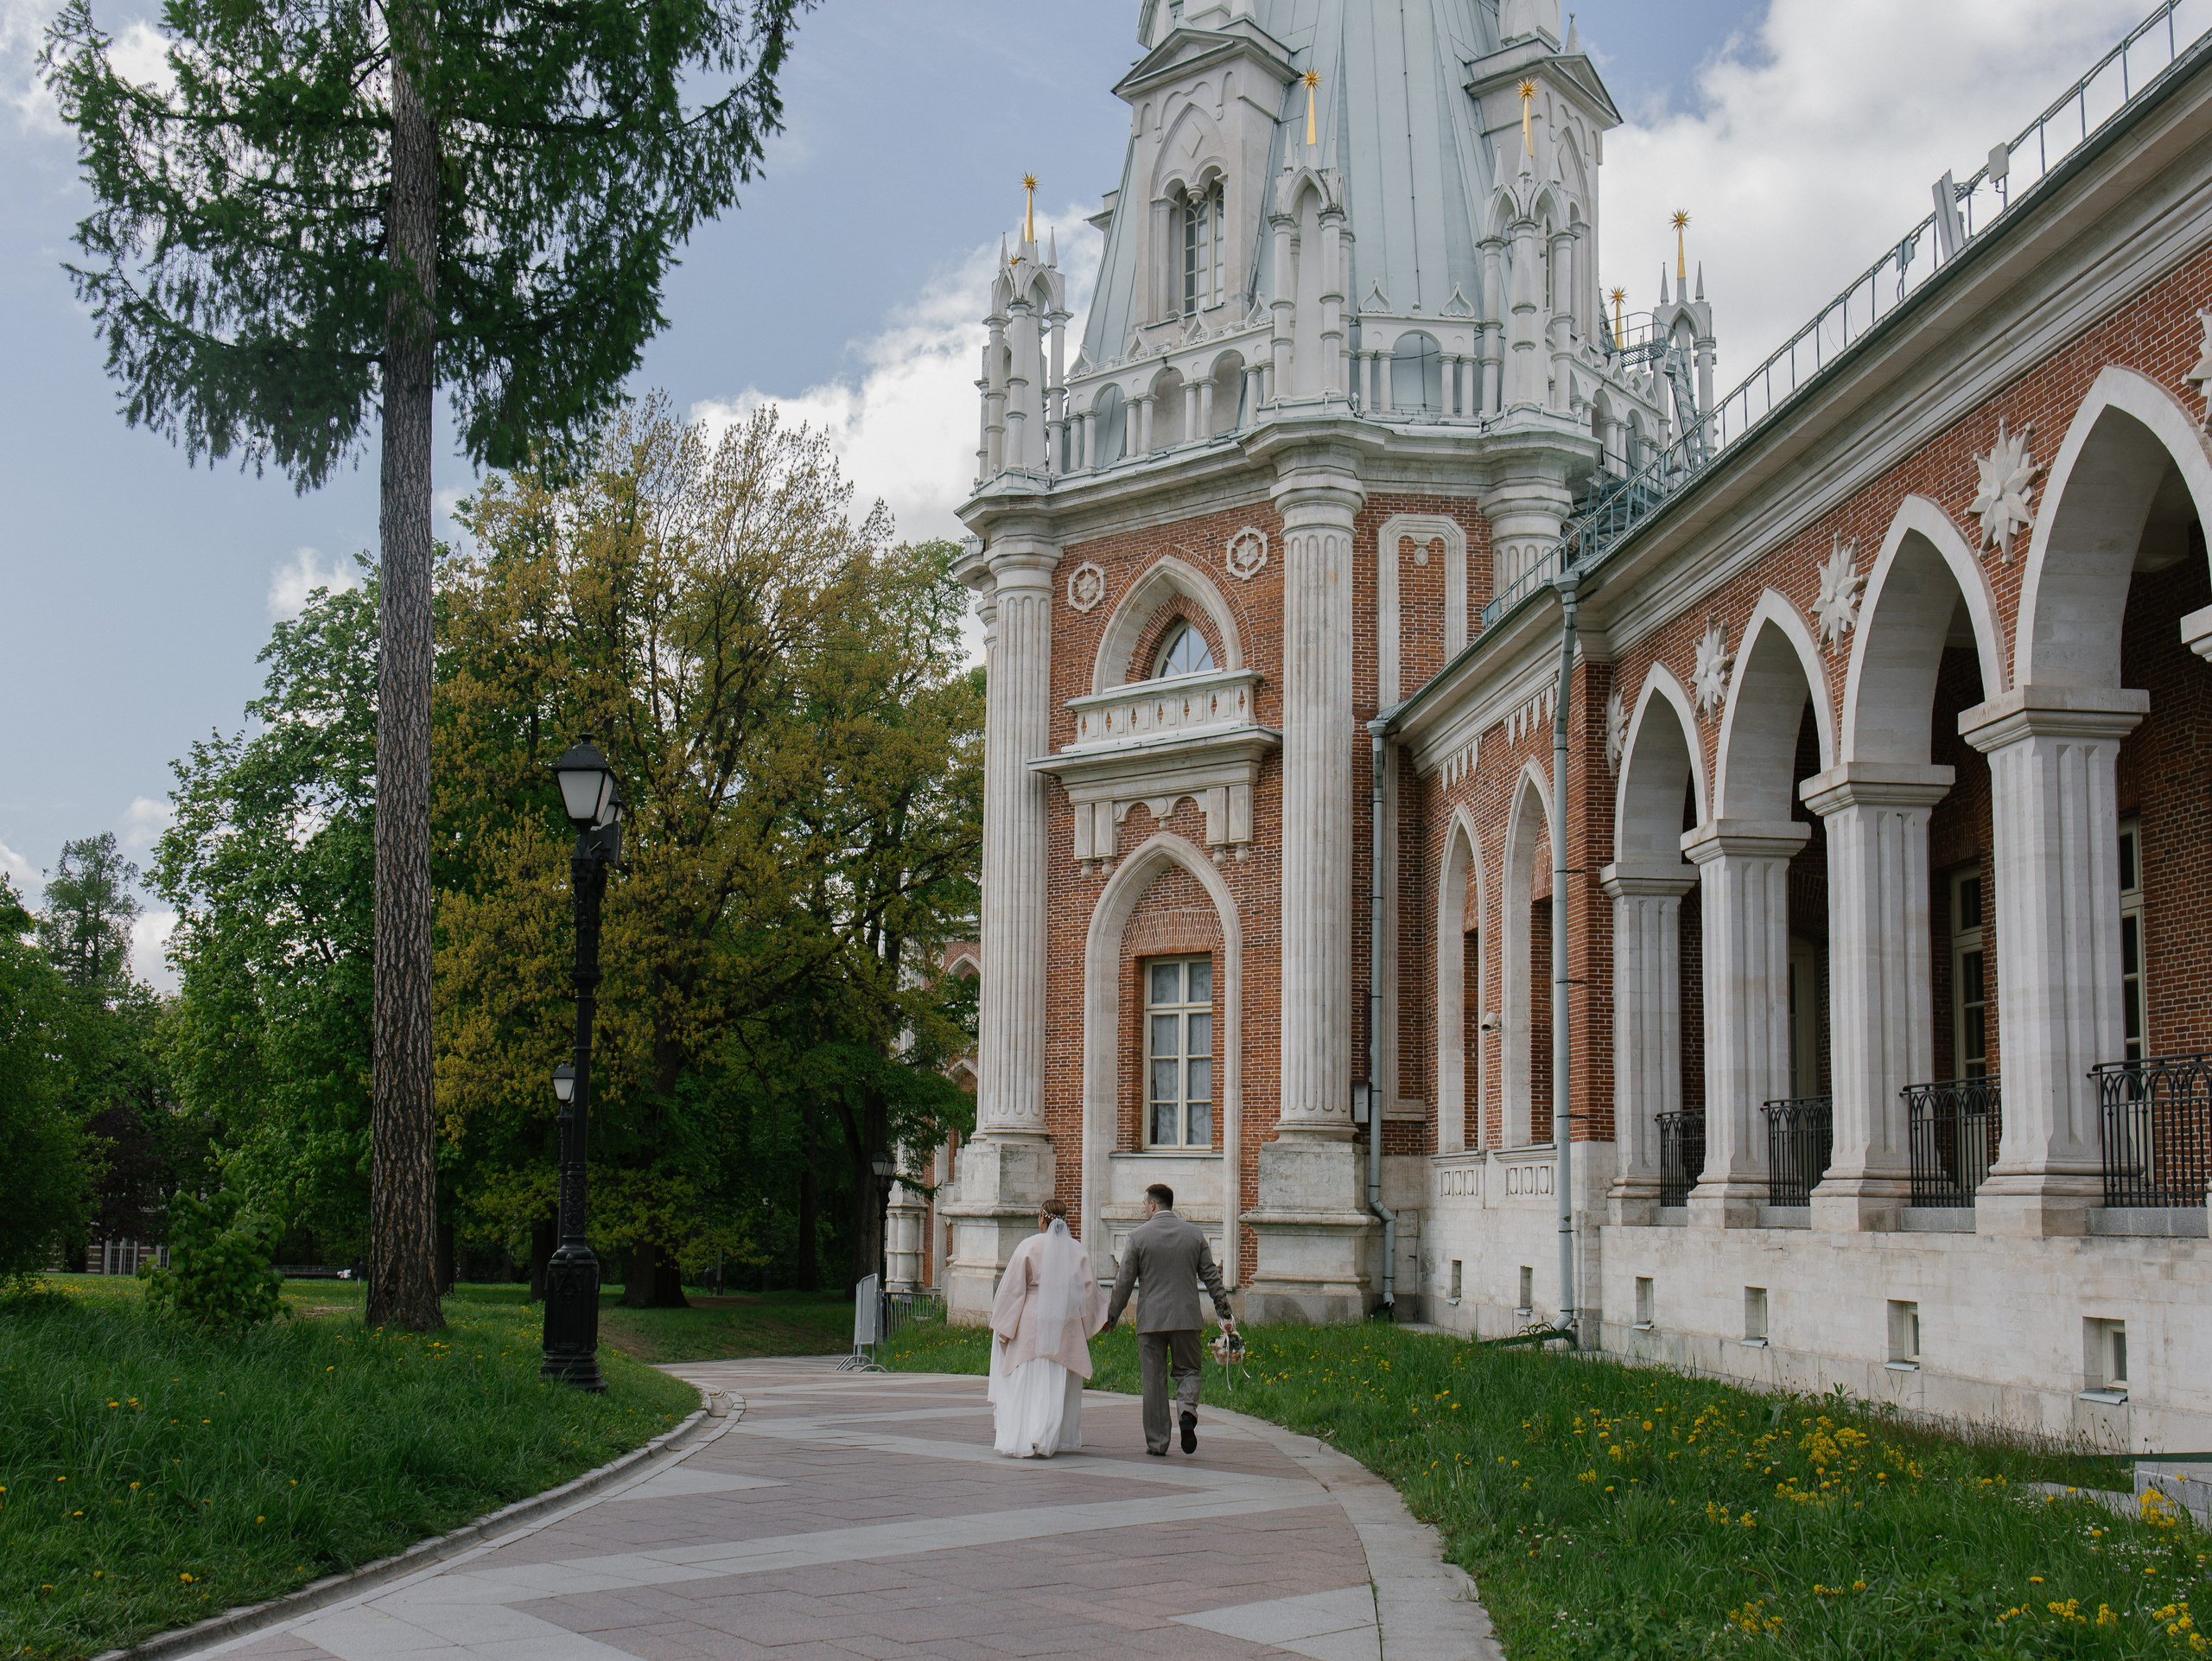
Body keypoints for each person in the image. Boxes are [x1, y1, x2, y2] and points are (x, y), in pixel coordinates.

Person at [1103, 1182, 1236, 1457]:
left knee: (1153, 1380)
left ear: (1152, 1205)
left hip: (1151, 1321)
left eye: (1144, 1205)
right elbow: (1211, 1276)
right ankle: (1187, 1411)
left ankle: (1158, 1441)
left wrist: (1111, 1317)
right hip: (1187, 1318)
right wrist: (1224, 1311)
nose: (1144, 1209)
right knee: (1189, 1371)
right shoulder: (1194, 1235)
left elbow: (1123, 1282)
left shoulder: (1138, 1237)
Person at [988, 1198, 1108, 1458]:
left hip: (1030, 1322)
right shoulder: (1077, 1250)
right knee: (1055, 1381)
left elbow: (1013, 1289)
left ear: (1042, 1218)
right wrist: (1100, 1319)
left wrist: (1004, 1323)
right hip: (1064, 1321)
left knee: (1025, 1379)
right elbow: (1088, 1290)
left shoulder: (1028, 1246)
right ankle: (1045, 1439)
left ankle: (1023, 1436)